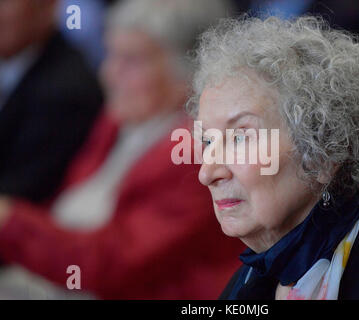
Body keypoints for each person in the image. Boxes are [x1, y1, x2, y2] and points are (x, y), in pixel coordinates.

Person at [187, 15, 359, 299]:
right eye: (208, 141)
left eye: (240, 138)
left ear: (322, 154)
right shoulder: (245, 285)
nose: (207, 173)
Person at [0, 0, 242, 299]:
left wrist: (10, 221)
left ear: (188, 71)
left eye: (131, 60)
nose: (109, 74)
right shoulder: (119, 121)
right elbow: (66, 212)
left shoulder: (195, 152)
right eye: (111, 54)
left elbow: (113, 264)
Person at [0, 0, 103, 203]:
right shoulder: (13, 53)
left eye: (5, 4)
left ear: (46, 9)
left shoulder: (67, 92)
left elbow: (20, 191)